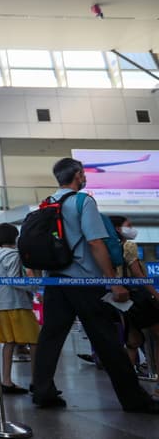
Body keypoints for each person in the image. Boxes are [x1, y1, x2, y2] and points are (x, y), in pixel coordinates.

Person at [31, 158, 158, 413]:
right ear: (78, 175)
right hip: (84, 280)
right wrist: (113, 281)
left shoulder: (47, 203)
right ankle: (134, 399)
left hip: (56, 280)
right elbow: (95, 243)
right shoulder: (83, 201)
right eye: (83, 173)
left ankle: (42, 391)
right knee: (107, 340)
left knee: (50, 337)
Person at [0, 223, 39, 394]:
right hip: (18, 303)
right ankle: (37, 381)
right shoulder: (14, 256)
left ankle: (6, 380)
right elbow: (14, 279)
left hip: (0, 305)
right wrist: (33, 287)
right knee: (34, 342)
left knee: (8, 343)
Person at [109, 216, 159, 395]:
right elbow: (138, 275)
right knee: (157, 335)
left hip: (118, 299)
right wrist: (155, 294)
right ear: (117, 228)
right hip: (138, 297)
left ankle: (128, 388)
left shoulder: (107, 247)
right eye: (128, 225)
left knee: (132, 341)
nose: (131, 228)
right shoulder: (128, 246)